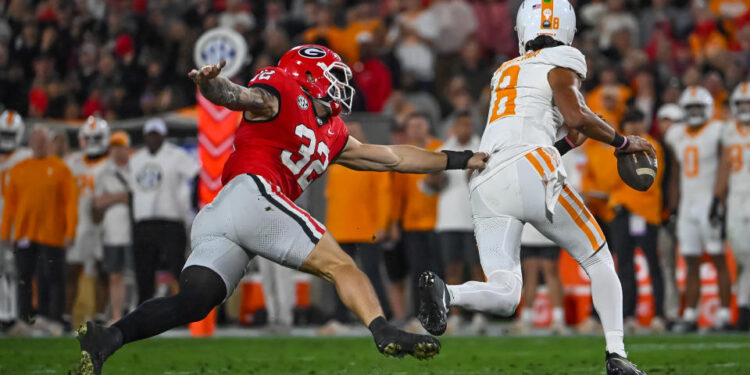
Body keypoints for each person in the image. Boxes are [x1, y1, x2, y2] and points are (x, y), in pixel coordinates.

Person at [76, 44, 488, 374]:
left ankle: (108, 337)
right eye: (333, 77)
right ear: (309, 77)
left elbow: (396, 158)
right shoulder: (284, 92)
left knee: (195, 300)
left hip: (223, 214)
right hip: (255, 194)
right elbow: (241, 97)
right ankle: (382, 330)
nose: (341, 86)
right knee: (341, 265)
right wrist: (212, 88)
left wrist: (458, 158)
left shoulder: (335, 132)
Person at [416, 1, 654, 374]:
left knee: (507, 291)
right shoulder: (564, 57)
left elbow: (529, 130)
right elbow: (575, 115)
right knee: (598, 258)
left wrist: (568, 144)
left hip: (486, 175)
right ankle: (616, 354)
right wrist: (623, 142)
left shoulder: (504, 70)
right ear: (567, 29)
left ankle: (449, 294)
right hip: (530, 166)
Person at [665, 86, 732, 332]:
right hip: (687, 206)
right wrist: (673, 208)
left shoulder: (718, 130)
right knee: (690, 260)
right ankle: (691, 314)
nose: (694, 112)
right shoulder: (676, 134)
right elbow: (674, 175)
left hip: (709, 204)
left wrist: (720, 201)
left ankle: (724, 315)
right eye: (690, 108)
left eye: (698, 107)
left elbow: (725, 168)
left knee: (718, 258)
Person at [1, 125, 77, 336]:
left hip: (52, 234)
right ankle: (25, 319)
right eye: (36, 140)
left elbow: (71, 203)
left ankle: (53, 318)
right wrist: (5, 231)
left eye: (43, 140)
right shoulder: (19, 168)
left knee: (53, 279)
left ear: (50, 143)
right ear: (30, 143)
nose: (39, 143)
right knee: (24, 277)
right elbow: (10, 205)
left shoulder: (61, 169)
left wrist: (70, 231)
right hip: (25, 234)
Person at [321, 121, 392, 334]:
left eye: (354, 132)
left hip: (367, 228)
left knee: (371, 273)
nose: (350, 134)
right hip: (339, 228)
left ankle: (381, 315)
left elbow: (383, 193)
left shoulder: (373, 155)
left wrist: (383, 224)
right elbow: (331, 197)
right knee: (339, 274)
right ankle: (341, 318)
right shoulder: (334, 161)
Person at [422, 111, 485, 334]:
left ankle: (479, 316)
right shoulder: (443, 150)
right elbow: (427, 185)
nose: (464, 129)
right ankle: (455, 316)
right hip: (449, 219)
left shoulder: (483, 148)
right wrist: (435, 180)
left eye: (467, 125)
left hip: (475, 219)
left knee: (477, 269)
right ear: (454, 128)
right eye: (460, 125)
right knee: (452, 269)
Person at [608, 109, 666, 334]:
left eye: (636, 121)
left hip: (646, 211)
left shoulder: (653, 145)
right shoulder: (619, 147)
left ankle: (659, 315)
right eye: (628, 122)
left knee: (653, 264)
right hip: (623, 212)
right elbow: (610, 180)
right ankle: (628, 315)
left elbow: (648, 181)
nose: (632, 126)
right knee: (624, 265)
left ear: (643, 122)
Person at [129, 118, 199, 304]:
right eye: (150, 135)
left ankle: (191, 306)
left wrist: (194, 206)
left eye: (156, 135)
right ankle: (143, 311)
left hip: (170, 222)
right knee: (143, 271)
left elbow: (197, 175)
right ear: (145, 137)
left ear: (163, 136)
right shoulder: (136, 159)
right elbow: (131, 193)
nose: (153, 139)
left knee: (179, 267)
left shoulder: (176, 155)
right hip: (143, 223)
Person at [66, 116, 110, 326]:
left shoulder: (111, 164)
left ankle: (101, 316)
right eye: (88, 138)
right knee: (72, 271)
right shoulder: (72, 163)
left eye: (96, 138)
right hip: (78, 224)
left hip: (104, 226)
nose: (91, 142)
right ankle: (67, 316)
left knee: (103, 271)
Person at [714, 82, 750, 331]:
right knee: (740, 255)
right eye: (742, 104)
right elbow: (725, 165)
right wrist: (719, 197)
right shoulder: (728, 130)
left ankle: (745, 309)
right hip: (736, 198)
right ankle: (745, 309)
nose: (745, 108)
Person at [93, 131, 133, 325]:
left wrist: (112, 197)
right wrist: (120, 197)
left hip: (133, 232)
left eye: (120, 146)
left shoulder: (136, 169)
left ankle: (134, 313)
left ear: (128, 148)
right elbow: (98, 202)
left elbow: (136, 198)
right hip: (112, 233)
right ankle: (117, 315)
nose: (117, 151)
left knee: (134, 275)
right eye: (114, 147)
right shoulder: (105, 172)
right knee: (115, 275)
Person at [0, 110, 32, 324]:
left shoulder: (26, 157)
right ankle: (4, 312)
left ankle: (15, 314)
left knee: (15, 270)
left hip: (16, 221)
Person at [654, 103, 684, 326]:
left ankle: (695, 311)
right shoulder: (658, 146)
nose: (667, 125)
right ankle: (671, 312)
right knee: (667, 265)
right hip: (668, 214)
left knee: (698, 263)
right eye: (664, 120)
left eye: (672, 121)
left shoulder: (690, 143)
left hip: (692, 210)